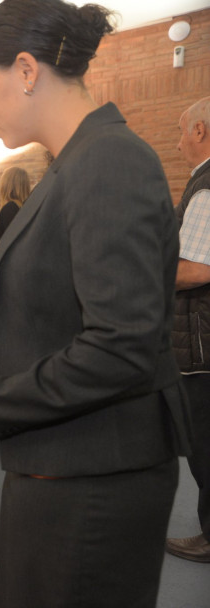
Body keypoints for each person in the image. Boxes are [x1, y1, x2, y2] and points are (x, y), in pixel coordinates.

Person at [0, 1, 190, 605]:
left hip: (95, 473)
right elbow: (62, 308)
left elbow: (119, 347)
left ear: (26, 70)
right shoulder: (72, 163)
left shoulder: (108, 160)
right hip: (67, 460)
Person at [167, 95, 210, 563]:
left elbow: (196, 270)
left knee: (204, 444)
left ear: (200, 131)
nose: (179, 142)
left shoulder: (206, 185)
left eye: (182, 132)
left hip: (200, 344)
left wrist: (148, 272)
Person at [0, 167, 31, 274]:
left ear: (7, 184)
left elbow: (11, 244)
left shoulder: (10, 208)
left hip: (6, 269)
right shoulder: (25, 208)